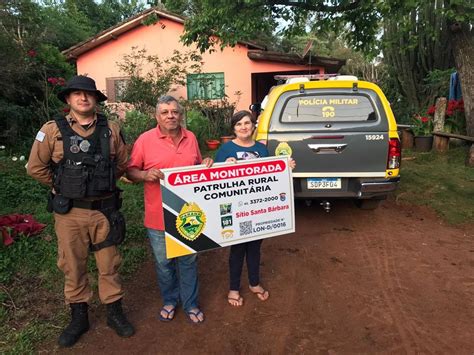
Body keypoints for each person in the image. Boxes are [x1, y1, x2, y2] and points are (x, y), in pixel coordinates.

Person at [27, 75, 134, 347]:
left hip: (104, 211)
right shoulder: (51, 130)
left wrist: (101, 183)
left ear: (96, 99)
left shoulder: (111, 128)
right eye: (77, 93)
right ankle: (79, 316)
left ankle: (114, 312)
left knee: (109, 264)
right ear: (68, 99)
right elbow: (35, 167)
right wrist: (63, 185)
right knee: (72, 264)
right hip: (70, 213)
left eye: (88, 94)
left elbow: (122, 163)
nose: (83, 98)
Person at [127, 95, 213, 324]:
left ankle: (191, 303)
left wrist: (205, 163)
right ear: (157, 116)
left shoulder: (191, 137)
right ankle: (170, 299)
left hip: (188, 215)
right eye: (165, 112)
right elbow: (131, 171)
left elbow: (196, 170)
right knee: (164, 263)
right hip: (157, 215)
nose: (170, 116)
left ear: (180, 115)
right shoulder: (145, 140)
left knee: (188, 260)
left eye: (174, 111)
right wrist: (145, 174)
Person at [215, 110, 295, 307]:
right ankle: (233, 288)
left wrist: (286, 167)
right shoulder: (225, 150)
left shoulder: (261, 149)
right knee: (237, 249)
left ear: (253, 126)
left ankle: (254, 283)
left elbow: (271, 174)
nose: (243, 127)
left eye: (247, 123)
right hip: (235, 209)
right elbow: (214, 179)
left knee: (255, 248)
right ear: (233, 128)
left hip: (258, 209)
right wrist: (224, 165)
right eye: (239, 124)